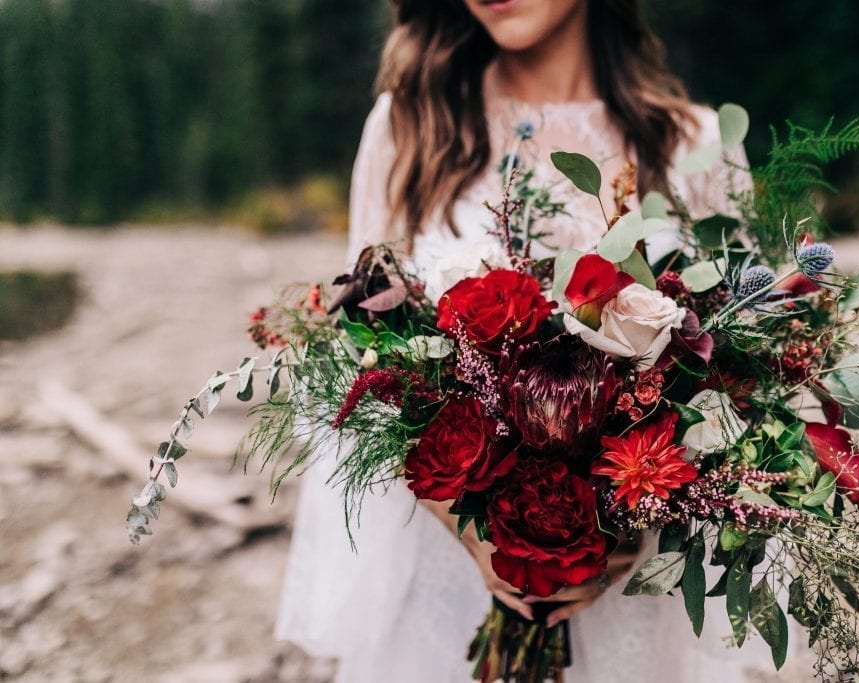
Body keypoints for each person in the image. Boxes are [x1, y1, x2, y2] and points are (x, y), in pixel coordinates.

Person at [276, 1, 774, 680]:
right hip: (447, 579)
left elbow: (743, 383)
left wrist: (635, 516)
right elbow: (361, 360)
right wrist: (477, 530)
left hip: (633, 595)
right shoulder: (410, 127)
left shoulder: (696, 144)